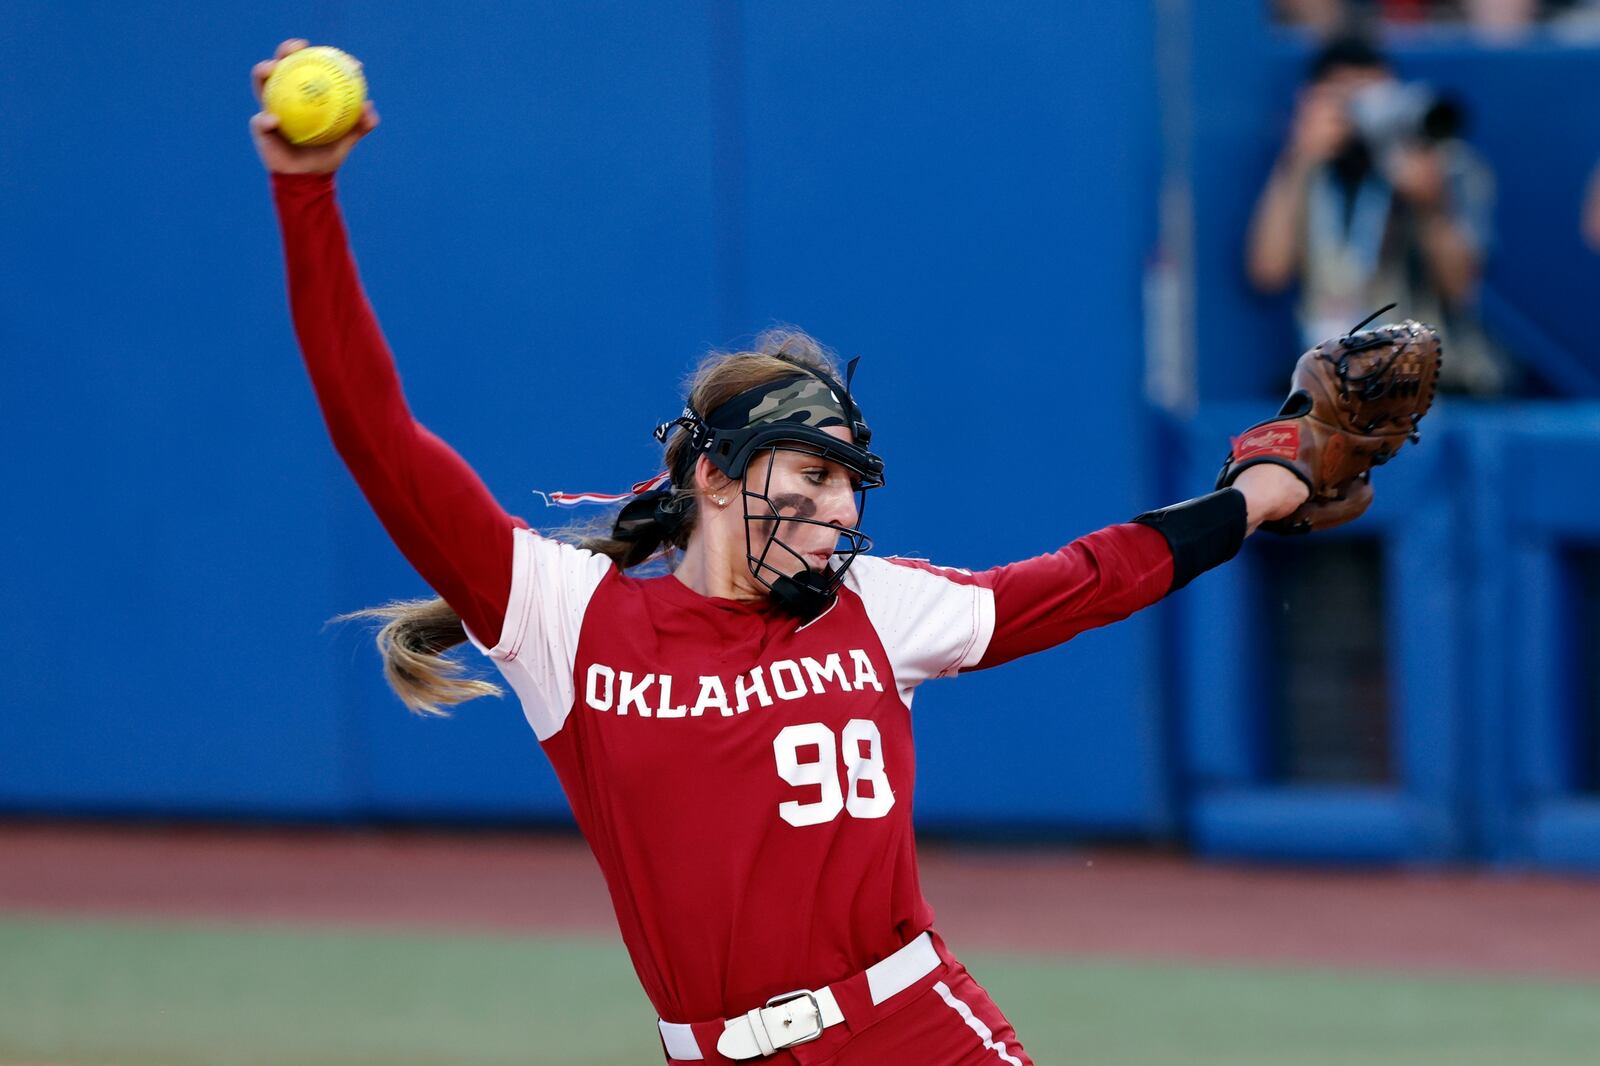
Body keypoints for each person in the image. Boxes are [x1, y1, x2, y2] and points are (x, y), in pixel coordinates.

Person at [252, 38, 1313, 1066]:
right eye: (807, 476)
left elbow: (1086, 580)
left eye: (848, 485)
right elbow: (374, 431)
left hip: (912, 1033)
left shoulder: (877, 608)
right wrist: (307, 196)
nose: (836, 510)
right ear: (714, 476)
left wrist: (1260, 493)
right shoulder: (565, 618)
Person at [1246, 34, 1512, 395]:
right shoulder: (1308, 169)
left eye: (1376, 98)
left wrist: (1433, 207)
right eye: (1347, 101)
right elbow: (1267, 272)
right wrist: (1298, 160)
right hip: (1333, 383)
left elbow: (1461, 288)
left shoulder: (1450, 166)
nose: (1363, 114)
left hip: (1432, 382)